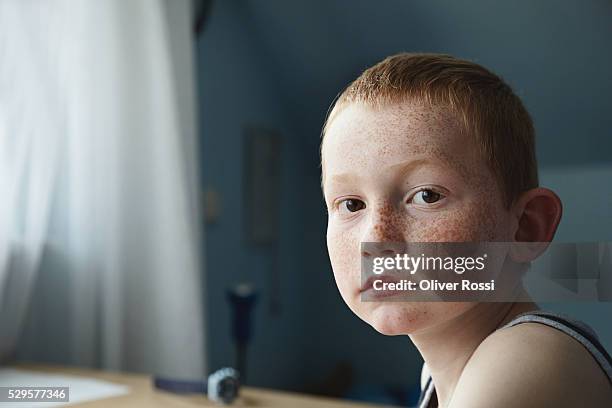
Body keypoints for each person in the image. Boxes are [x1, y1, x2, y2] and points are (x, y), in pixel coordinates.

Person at [320, 53, 612, 407]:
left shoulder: (529, 356)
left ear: (525, 227)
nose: (377, 239)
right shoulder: (438, 376)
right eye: (352, 204)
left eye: (426, 196)